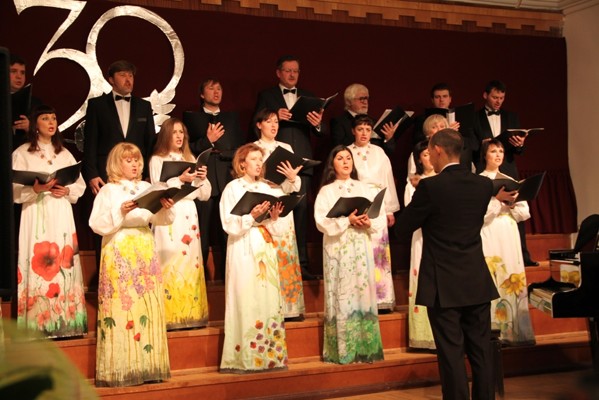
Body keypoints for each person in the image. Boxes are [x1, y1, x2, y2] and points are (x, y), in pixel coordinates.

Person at [396, 129, 498, 400]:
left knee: (451, 353)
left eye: (430, 151)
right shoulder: (483, 185)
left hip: (443, 283)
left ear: (438, 150)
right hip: (476, 280)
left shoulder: (431, 187)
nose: (429, 156)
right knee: (481, 352)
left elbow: (403, 229)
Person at [89, 142, 173, 387]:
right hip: (119, 246)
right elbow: (96, 223)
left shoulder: (146, 187)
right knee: (123, 304)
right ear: (117, 163)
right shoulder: (109, 190)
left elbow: (159, 218)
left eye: (136, 160)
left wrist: (165, 208)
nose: (134, 164)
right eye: (128, 160)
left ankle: (148, 366)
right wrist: (120, 211)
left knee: (147, 303)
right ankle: (121, 368)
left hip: (144, 245)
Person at [12, 105, 87, 338]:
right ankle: (37, 324)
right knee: (39, 259)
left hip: (60, 209)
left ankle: (67, 322)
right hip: (36, 210)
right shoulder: (22, 153)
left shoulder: (64, 153)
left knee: (63, 258)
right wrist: (34, 189)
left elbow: (80, 185)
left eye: (54, 118)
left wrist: (67, 190)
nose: (51, 122)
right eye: (45, 118)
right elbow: (13, 189)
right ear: (35, 124)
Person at [254, 55, 327, 280]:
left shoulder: (309, 96)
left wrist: (317, 125)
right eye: (288, 70)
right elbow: (255, 122)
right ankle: (274, 261)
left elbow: (321, 132)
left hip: (300, 163)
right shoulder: (267, 95)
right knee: (276, 211)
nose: (292, 74)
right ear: (278, 73)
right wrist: (277, 116)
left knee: (302, 211)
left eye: (296, 71)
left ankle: (301, 264)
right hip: (274, 162)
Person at [83, 60, 157, 282]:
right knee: (108, 220)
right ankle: (106, 279)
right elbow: (90, 143)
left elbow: (150, 144)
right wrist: (91, 174)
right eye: (123, 75)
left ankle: (140, 278)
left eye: (131, 76)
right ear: (111, 79)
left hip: (136, 176)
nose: (128, 80)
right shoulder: (97, 105)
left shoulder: (143, 106)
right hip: (106, 175)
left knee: (138, 218)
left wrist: (147, 175)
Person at [218, 143, 288, 373]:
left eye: (260, 159)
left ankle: (269, 357)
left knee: (266, 296)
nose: (259, 163)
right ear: (242, 164)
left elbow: (279, 230)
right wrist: (251, 216)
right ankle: (244, 358)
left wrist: (274, 217)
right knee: (246, 295)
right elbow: (229, 224)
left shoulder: (267, 187)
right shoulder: (232, 188)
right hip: (243, 246)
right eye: (254, 159)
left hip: (264, 245)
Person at [314, 145, 384, 365]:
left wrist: (367, 222)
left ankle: (366, 349)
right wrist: (347, 221)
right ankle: (342, 350)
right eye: (340, 158)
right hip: (338, 246)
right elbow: (321, 221)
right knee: (342, 292)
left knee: (362, 290)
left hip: (360, 244)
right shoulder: (327, 191)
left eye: (348, 158)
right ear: (332, 164)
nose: (345, 162)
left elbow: (379, 217)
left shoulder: (364, 188)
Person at [149, 117, 212, 330]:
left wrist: (201, 178)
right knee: (170, 259)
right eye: (174, 132)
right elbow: (157, 188)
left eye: (181, 132)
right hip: (169, 211)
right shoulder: (157, 159)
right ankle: (170, 315)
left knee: (190, 260)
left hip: (189, 213)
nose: (179, 136)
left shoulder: (190, 157)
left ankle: (191, 314)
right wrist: (180, 180)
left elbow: (205, 195)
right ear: (166, 135)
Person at [183, 78, 244, 281]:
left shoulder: (231, 118)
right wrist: (208, 141)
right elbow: (188, 149)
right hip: (204, 180)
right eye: (211, 88)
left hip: (227, 178)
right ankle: (199, 277)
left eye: (219, 88)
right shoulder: (192, 118)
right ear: (202, 94)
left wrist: (223, 152)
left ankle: (230, 275)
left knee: (228, 230)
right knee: (203, 229)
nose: (216, 92)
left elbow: (240, 149)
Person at [472, 80, 538, 267]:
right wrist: (483, 145)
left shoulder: (511, 116)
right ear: (485, 95)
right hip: (484, 167)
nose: (498, 101)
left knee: (514, 204)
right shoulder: (475, 118)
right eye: (495, 97)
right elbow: (470, 146)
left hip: (507, 169)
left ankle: (522, 256)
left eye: (501, 98)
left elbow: (517, 150)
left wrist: (520, 144)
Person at [479, 139, 536, 346]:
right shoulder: (478, 181)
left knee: (511, 272)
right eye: (493, 151)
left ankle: (514, 331)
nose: (498, 155)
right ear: (485, 155)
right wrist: (497, 200)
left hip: (508, 230)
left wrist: (512, 204)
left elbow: (524, 213)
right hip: (489, 230)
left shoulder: (510, 179)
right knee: (492, 274)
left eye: (501, 151)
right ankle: (493, 331)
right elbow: (478, 215)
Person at [253, 108, 306, 320]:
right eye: (268, 121)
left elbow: (293, 186)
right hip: (262, 201)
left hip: (283, 201)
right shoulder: (253, 148)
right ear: (259, 125)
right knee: (267, 253)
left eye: (276, 121)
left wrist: (291, 178)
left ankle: (289, 307)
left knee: (285, 252)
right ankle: (268, 306)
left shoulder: (285, 148)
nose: (274, 125)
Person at [347, 114, 399, 311]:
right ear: (353, 131)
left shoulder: (379, 152)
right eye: (360, 129)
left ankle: (382, 298)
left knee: (379, 251)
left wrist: (390, 209)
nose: (364, 133)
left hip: (378, 202)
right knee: (361, 249)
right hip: (358, 202)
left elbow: (387, 180)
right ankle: (361, 298)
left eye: (368, 130)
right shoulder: (347, 152)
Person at [403, 140, 436, 350]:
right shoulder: (412, 184)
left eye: (431, 153)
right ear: (419, 159)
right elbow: (410, 210)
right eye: (425, 154)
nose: (429, 158)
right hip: (421, 235)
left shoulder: (442, 180)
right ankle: (423, 335)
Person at [330, 83, 398, 156]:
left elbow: (389, 152)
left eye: (366, 98)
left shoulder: (374, 122)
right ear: (349, 101)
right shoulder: (339, 122)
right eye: (361, 99)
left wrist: (388, 138)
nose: (365, 102)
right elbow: (338, 148)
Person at [10, 55, 42, 150]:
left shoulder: (36, 103)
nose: (19, 76)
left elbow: (47, 135)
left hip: (26, 152)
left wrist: (30, 128)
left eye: (22, 73)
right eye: (13, 71)